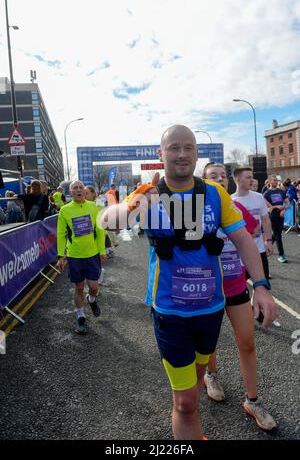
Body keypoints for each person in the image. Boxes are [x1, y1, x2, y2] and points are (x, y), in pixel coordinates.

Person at [101, 125, 278, 440]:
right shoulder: (149, 193)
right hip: (170, 312)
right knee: (184, 402)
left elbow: (243, 240)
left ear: (196, 153)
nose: (181, 154)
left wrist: (261, 286)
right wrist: (136, 202)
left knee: (194, 387)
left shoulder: (213, 192)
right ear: (161, 154)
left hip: (209, 310)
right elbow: (110, 222)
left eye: (188, 148)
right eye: (173, 148)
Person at [202, 163, 276, 431]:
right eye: (213, 177)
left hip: (235, 288)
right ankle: (211, 375)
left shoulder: (237, 209)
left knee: (247, 343)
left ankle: (252, 401)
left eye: (222, 176)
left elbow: (252, 235)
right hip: (207, 291)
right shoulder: (197, 211)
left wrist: (260, 284)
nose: (219, 180)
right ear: (204, 182)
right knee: (209, 342)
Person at [57, 180, 107, 334]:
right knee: (78, 287)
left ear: (84, 191)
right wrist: (61, 256)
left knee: (94, 287)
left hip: (92, 255)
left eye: (81, 188)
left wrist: (102, 251)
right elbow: (61, 234)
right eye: (75, 188)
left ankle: (91, 299)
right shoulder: (65, 210)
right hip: (75, 256)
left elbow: (99, 230)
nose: (78, 190)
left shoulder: (94, 207)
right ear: (70, 192)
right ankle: (80, 317)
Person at [232, 167, 273, 281]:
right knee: (241, 290)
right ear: (238, 179)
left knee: (262, 286)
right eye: (248, 177)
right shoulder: (230, 201)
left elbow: (265, 220)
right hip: (239, 254)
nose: (251, 180)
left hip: (259, 250)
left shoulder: (258, 197)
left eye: (252, 177)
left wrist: (269, 241)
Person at [263, 175, 290, 263]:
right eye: (274, 180)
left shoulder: (281, 191)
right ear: (270, 181)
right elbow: (267, 207)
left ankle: (267, 244)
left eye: (276, 180)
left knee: (276, 233)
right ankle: (281, 255)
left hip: (281, 216)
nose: (275, 181)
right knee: (278, 235)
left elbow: (288, 203)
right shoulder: (266, 193)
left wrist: (284, 209)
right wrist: (276, 207)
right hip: (273, 216)